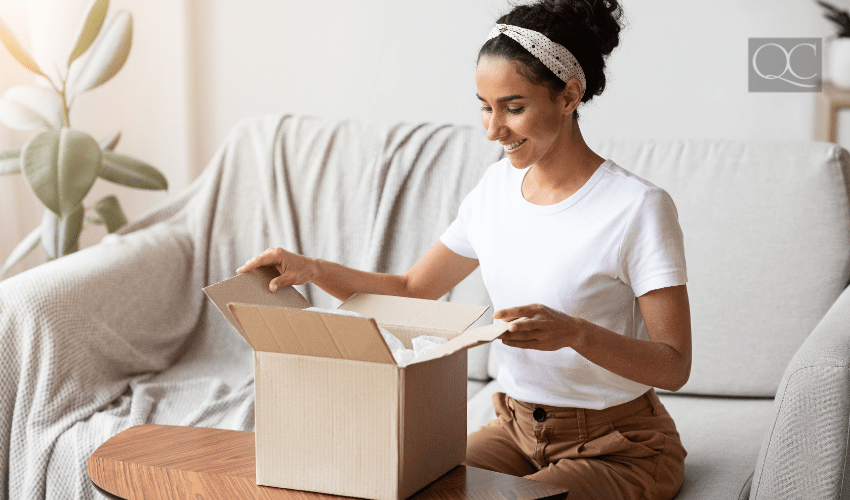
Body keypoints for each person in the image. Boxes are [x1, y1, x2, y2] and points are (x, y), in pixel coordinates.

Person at [237, 0, 690, 498]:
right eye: (484, 106)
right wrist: (311, 269)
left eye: (513, 108)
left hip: (618, 444)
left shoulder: (638, 207)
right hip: (515, 430)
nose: (493, 130)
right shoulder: (495, 189)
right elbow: (413, 290)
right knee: (393, 481)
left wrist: (576, 333)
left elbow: (672, 365)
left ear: (569, 96)